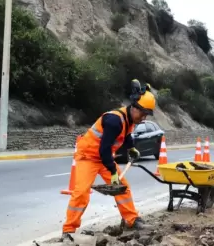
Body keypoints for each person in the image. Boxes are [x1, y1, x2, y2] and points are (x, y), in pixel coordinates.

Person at [61, 79, 156, 242]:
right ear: (134, 107)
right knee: (81, 193)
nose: (144, 117)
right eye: (143, 113)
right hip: (88, 157)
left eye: (147, 114)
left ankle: (131, 220)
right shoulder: (114, 120)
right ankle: (69, 230)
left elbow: (126, 135)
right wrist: (113, 172)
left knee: (123, 188)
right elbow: (104, 150)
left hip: (103, 157)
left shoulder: (130, 120)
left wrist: (131, 147)